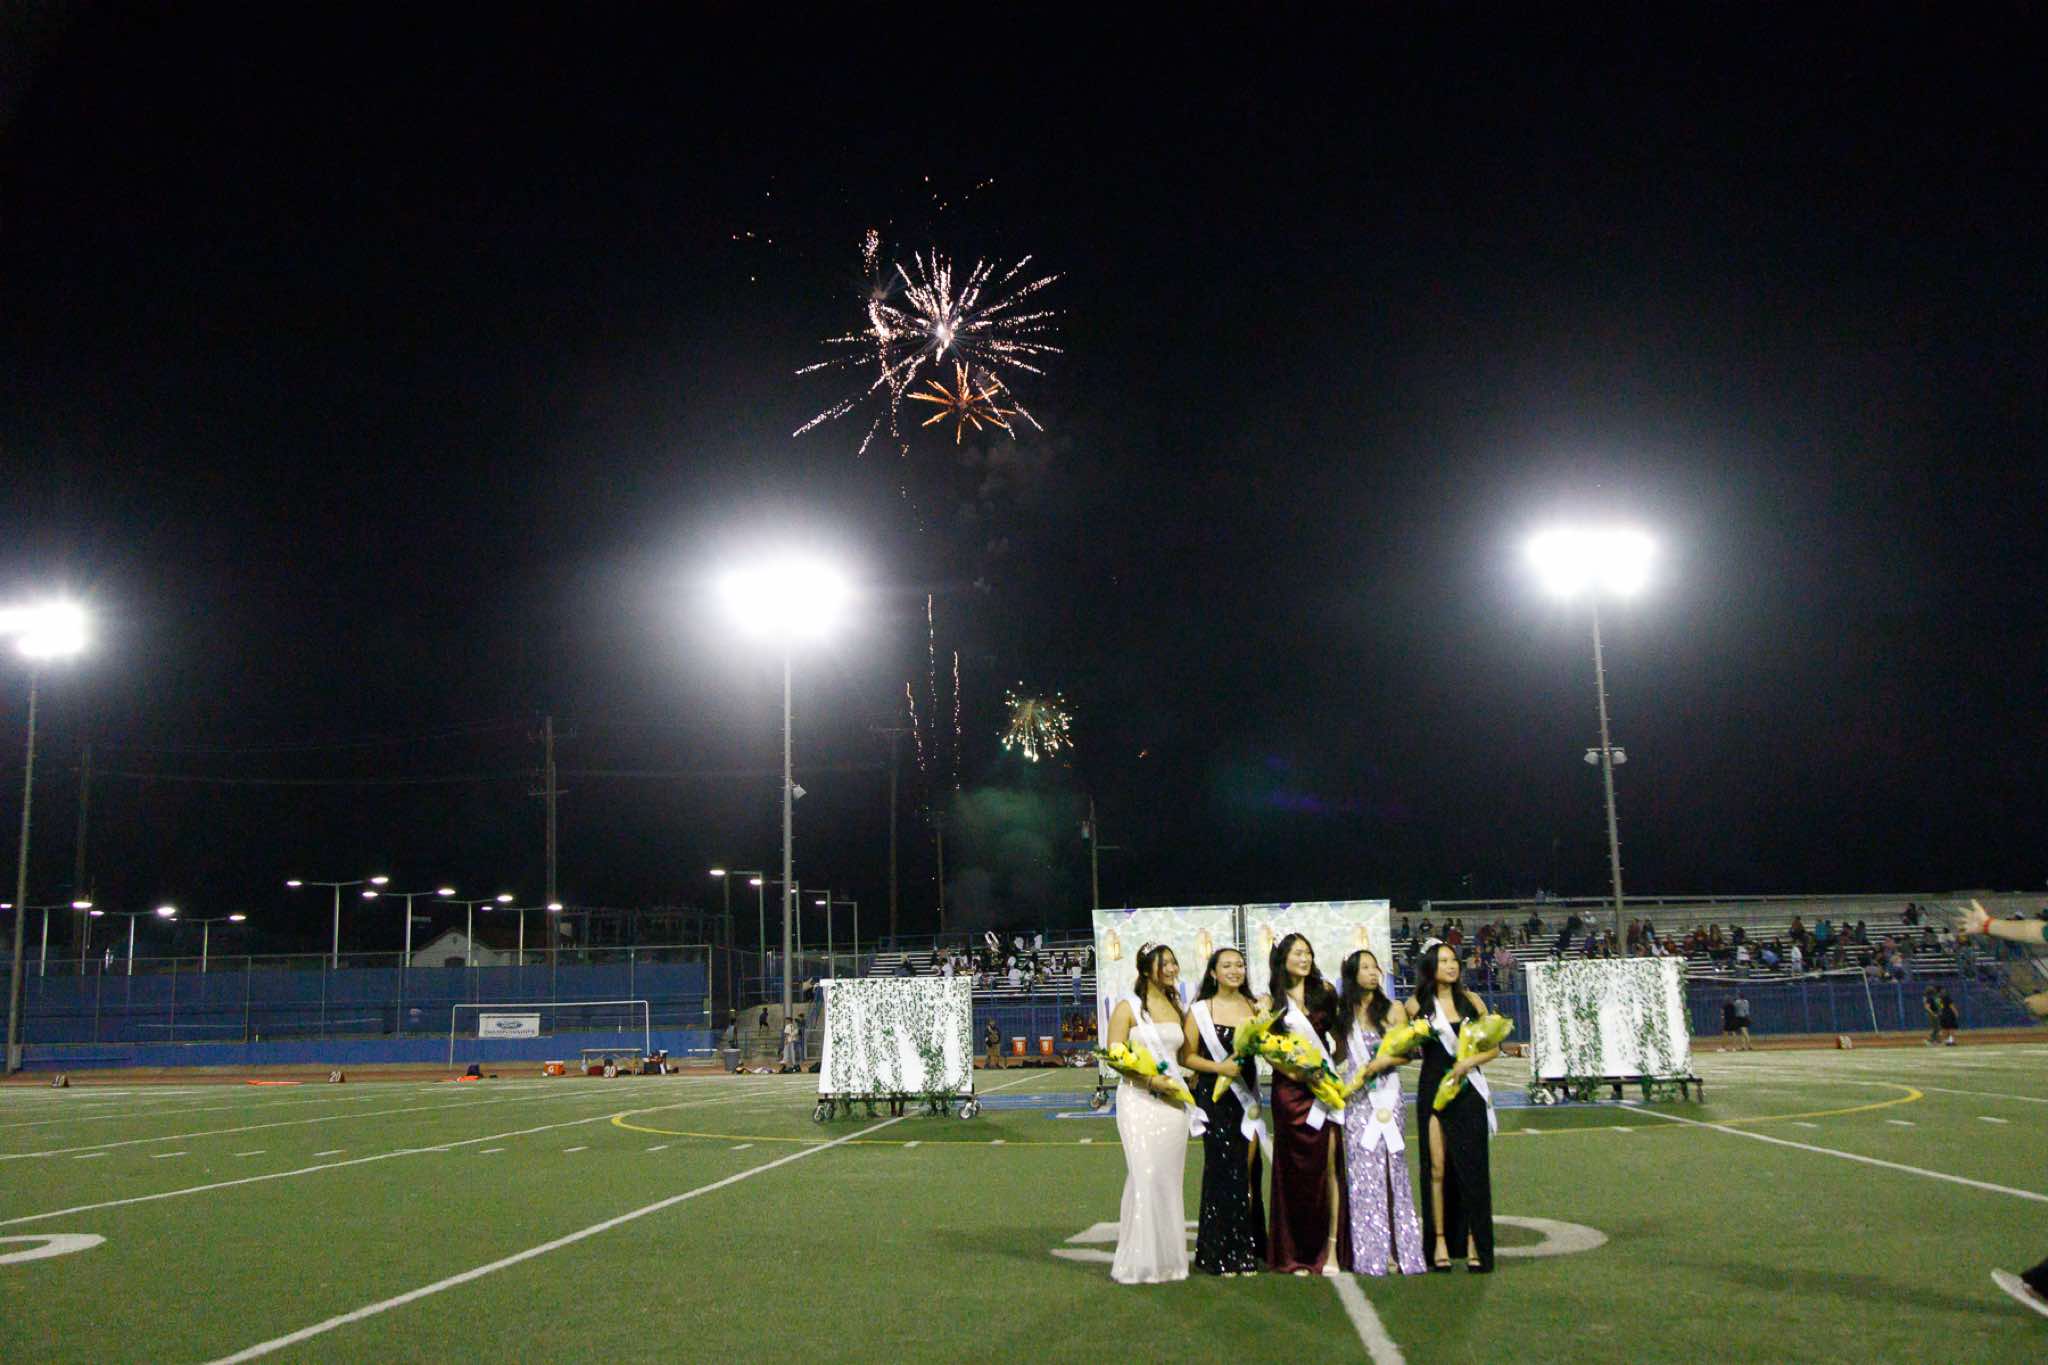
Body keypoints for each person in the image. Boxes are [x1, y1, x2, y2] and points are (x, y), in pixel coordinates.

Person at [1409, 940, 1501, 1272]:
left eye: (1453, 960)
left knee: (1472, 1168)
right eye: (1443, 960)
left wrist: (1467, 1063)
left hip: (1467, 1090)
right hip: (1433, 1090)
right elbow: (1405, 1045)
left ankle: (1476, 1242)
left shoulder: (1471, 1002)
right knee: (1436, 1168)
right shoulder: (1416, 1005)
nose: (1451, 966)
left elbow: (1493, 1048)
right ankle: (1439, 1242)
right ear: (1430, 967)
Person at [1334, 949, 1426, 1276]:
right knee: (1361, 1169)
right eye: (1365, 968)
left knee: (1392, 1166)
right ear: (1353, 974)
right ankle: (1369, 1250)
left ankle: (1400, 1249)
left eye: (1375, 967)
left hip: (1387, 1095)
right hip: (1356, 1097)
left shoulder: (1393, 1009)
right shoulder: (1343, 1012)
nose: (1373, 973)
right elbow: (1338, 1053)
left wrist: (1385, 1061)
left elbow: (1410, 1052)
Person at [1105, 943, 1192, 1284]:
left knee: (1168, 1180)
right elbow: (1114, 1057)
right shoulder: (1127, 1007)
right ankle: (1139, 1262)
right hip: (1138, 1100)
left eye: (1173, 962)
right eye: (1162, 963)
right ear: (1145, 970)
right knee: (1145, 1175)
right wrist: (1151, 1080)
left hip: (1172, 1107)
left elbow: (1184, 1057)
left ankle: (1168, 1261)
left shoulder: (1177, 1007)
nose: (1171, 968)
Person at [1179, 947, 1267, 1276]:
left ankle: (1244, 1248)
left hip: (1247, 1096)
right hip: (1214, 1098)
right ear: (1213, 973)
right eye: (1227, 965)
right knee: (1220, 1170)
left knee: (1246, 1171)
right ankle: (1217, 1251)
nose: (1235, 970)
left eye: (1240, 965)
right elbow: (1186, 1057)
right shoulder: (1201, 1010)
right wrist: (1219, 1067)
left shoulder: (1255, 1007)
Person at [1260, 931, 1343, 1275]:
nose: (1304, 958)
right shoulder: (1271, 1002)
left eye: (1308, 952)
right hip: (1290, 1092)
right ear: (1283, 959)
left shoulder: (1324, 993)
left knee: (1328, 1167)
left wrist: (1328, 1069)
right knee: (1292, 1171)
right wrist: (1297, 1074)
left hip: (1323, 1089)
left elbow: (1340, 1038)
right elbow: (1267, 1049)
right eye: (1297, 953)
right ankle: (1291, 1252)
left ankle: (1330, 1249)